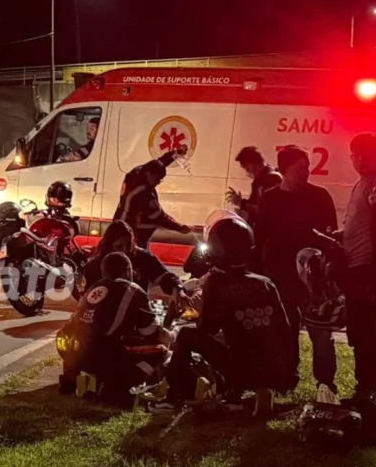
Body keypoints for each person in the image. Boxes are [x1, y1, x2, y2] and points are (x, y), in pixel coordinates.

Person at [166, 216, 291, 417]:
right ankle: (263, 389)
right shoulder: (266, 283)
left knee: (185, 335)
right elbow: (285, 328)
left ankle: (176, 393)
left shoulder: (216, 283)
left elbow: (207, 329)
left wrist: (200, 307)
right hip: (278, 369)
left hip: (242, 367)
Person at [253, 145, 339, 393]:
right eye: (300, 169)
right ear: (284, 169)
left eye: (308, 167)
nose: (306, 173)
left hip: (313, 278)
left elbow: (330, 237)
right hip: (279, 276)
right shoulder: (269, 198)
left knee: (320, 332)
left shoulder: (320, 196)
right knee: (284, 330)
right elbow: (260, 237)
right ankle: (286, 378)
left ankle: (325, 384)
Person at [60, 252, 166, 405]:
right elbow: (150, 331)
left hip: (77, 354)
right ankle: (131, 383)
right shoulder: (132, 289)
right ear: (128, 271)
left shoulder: (93, 288)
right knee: (160, 349)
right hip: (105, 356)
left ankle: (76, 380)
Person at [336, 133, 376, 397]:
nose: (358, 159)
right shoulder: (362, 183)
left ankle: (372, 388)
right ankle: (365, 386)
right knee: (359, 332)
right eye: (355, 154)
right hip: (357, 270)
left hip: (372, 271)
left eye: (366, 153)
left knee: (372, 333)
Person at [85, 220, 187, 301]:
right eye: (119, 247)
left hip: (136, 312)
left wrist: (178, 289)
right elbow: (88, 298)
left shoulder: (143, 257)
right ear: (109, 246)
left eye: (129, 245)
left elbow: (165, 276)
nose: (125, 251)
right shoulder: (96, 264)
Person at [113, 147, 193, 248]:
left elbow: (159, 163)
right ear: (149, 174)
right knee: (138, 255)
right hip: (132, 229)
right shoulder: (143, 193)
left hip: (121, 222)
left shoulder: (138, 172)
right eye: (158, 179)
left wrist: (175, 153)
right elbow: (159, 217)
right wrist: (180, 227)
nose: (158, 182)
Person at [228, 146, 283, 227]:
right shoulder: (260, 179)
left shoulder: (271, 179)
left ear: (251, 164)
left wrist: (242, 204)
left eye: (245, 167)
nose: (246, 171)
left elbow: (266, 211)